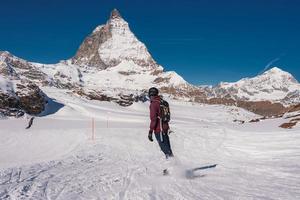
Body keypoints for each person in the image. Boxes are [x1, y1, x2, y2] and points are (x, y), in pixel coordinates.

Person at [147, 87, 174, 159]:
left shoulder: (154, 104)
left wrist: (150, 131)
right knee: (167, 148)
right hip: (165, 128)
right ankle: (173, 166)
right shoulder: (162, 102)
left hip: (159, 130)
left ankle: (173, 168)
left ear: (151, 94)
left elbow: (153, 119)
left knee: (165, 149)